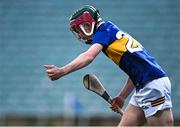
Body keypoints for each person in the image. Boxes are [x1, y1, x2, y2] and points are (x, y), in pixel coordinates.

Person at [44, 5, 174, 126]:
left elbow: (88, 57)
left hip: (152, 85)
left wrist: (62, 71)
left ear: (88, 25)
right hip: (143, 85)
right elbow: (136, 71)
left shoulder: (103, 30)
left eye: (78, 30)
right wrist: (122, 96)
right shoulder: (110, 31)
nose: (79, 35)